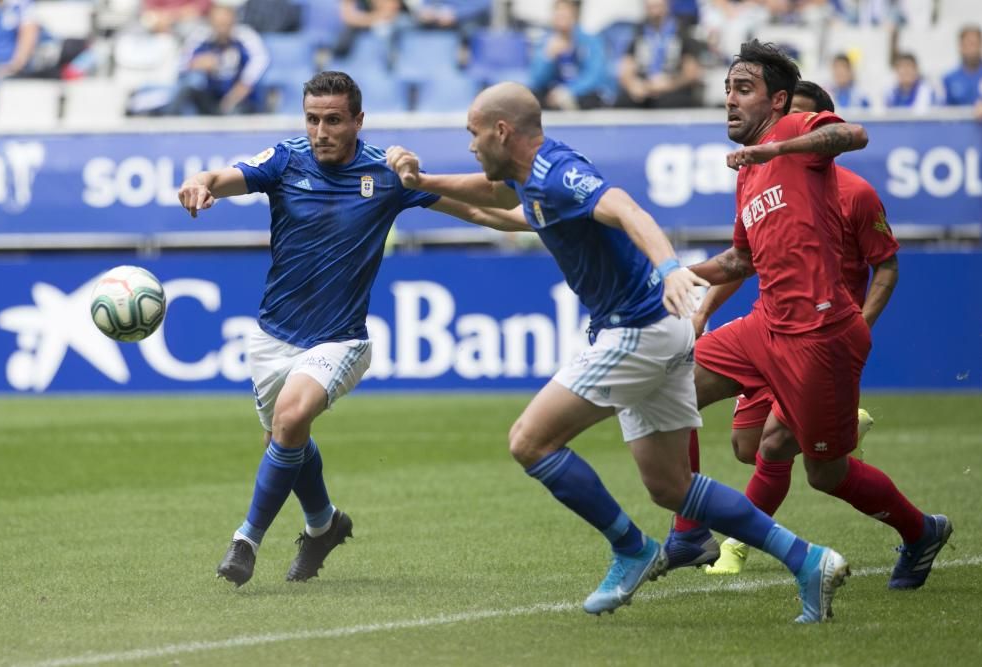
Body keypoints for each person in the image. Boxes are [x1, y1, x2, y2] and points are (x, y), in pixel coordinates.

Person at [385, 80, 850, 623]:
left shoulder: (559, 174)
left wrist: (670, 267)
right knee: (671, 487)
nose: (469, 145)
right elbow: (495, 205)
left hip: (637, 331)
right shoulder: (531, 179)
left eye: (472, 133)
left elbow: (626, 208)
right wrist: (420, 187)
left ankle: (630, 548)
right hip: (661, 330)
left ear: (501, 130)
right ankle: (809, 560)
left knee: (530, 442)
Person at [177, 71, 531, 587]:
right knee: (283, 438)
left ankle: (245, 541)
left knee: (292, 417)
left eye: (334, 120)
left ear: (358, 121)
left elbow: (488, 208)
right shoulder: (286, 160)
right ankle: (323, 525)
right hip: (273, 336)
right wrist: (198, 184)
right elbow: (219, 177)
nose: (321, 131)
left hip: (342, 338)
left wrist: (546, 215)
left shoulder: (386, 174)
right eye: (313, 119)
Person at [683, 40, 951, 591]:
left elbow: (855, 135)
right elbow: (741, 258)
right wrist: (680, 274)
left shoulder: (791, 142)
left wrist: (777, 150)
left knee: (823, 472)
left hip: (821, 337)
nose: (729, 100)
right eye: (727, 90)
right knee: (671, 385)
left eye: (743, 89)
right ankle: (689, 533)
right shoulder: (748, 173)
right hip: (767, 325)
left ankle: (921, 531)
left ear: (780, 103)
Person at [168, 1, 270, 115]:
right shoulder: (201, 36)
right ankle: (167, 122)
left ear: (233, 21)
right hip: (211, 96)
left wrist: (234, 96)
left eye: (225, 24)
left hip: (239, 99)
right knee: (187, 88)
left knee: (236, 110)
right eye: (217, 24)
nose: (221, 28)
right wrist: (196, 63)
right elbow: (180, 63)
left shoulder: (245, 37)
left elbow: (259, 64)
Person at [615, 0, 705, 109]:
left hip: (673, 88)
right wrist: (633, 85)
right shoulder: (638, 32)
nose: (655, 12)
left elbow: (692, 73)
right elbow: (626, 68)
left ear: (667, 6)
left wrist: (669, 84)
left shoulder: (682, 31)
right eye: (651, 7)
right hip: (644, 88)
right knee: (623, 102)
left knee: (669, 102)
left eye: (658, 7)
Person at [527, 0, 608, 110]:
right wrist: (548, 57)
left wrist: (569, 91)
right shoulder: (545, 42)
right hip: (552, 94)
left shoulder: (591, 41)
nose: (561, 18)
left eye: (565, 14)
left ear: (574, 15)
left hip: (580, 95)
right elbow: (536, 80)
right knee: (532, 98)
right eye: (558, 13)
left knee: (591, 98)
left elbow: (594, 76)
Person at [942, 24, 982, 107]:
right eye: (968, 44)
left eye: (974, 44)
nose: (972, 49)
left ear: (981, 45)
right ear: (960, 47)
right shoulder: (949, 79)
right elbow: (944, 112)